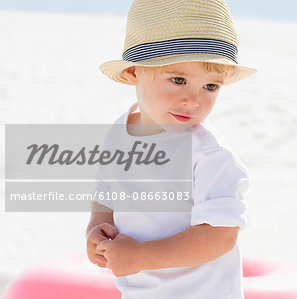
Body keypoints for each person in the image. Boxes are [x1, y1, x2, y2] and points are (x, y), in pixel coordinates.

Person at [85, 0, 256, 298]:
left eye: (210, 87)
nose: (193, 100)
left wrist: (141, 255)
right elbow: (107, 190)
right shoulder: (118, 133)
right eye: (178, 80)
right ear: (134, 73)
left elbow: (220, 236)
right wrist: (98, 226)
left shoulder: (208, 154)